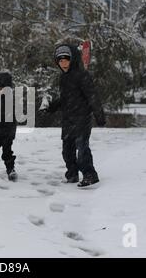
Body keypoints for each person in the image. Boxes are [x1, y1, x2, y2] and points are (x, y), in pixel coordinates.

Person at [41, 44, 106, 187]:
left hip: (82, 119)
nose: (63, 63)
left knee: (82, 150)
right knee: (67, 151)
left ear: (73, 59)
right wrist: (51, 108)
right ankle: (72, 174)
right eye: (60, 61)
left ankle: (90, 175)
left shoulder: (82, 75)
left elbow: (92, 96)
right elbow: (64, 98)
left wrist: (99, 115)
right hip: (68, 120)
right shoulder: (63, 78)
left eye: (66, 60)